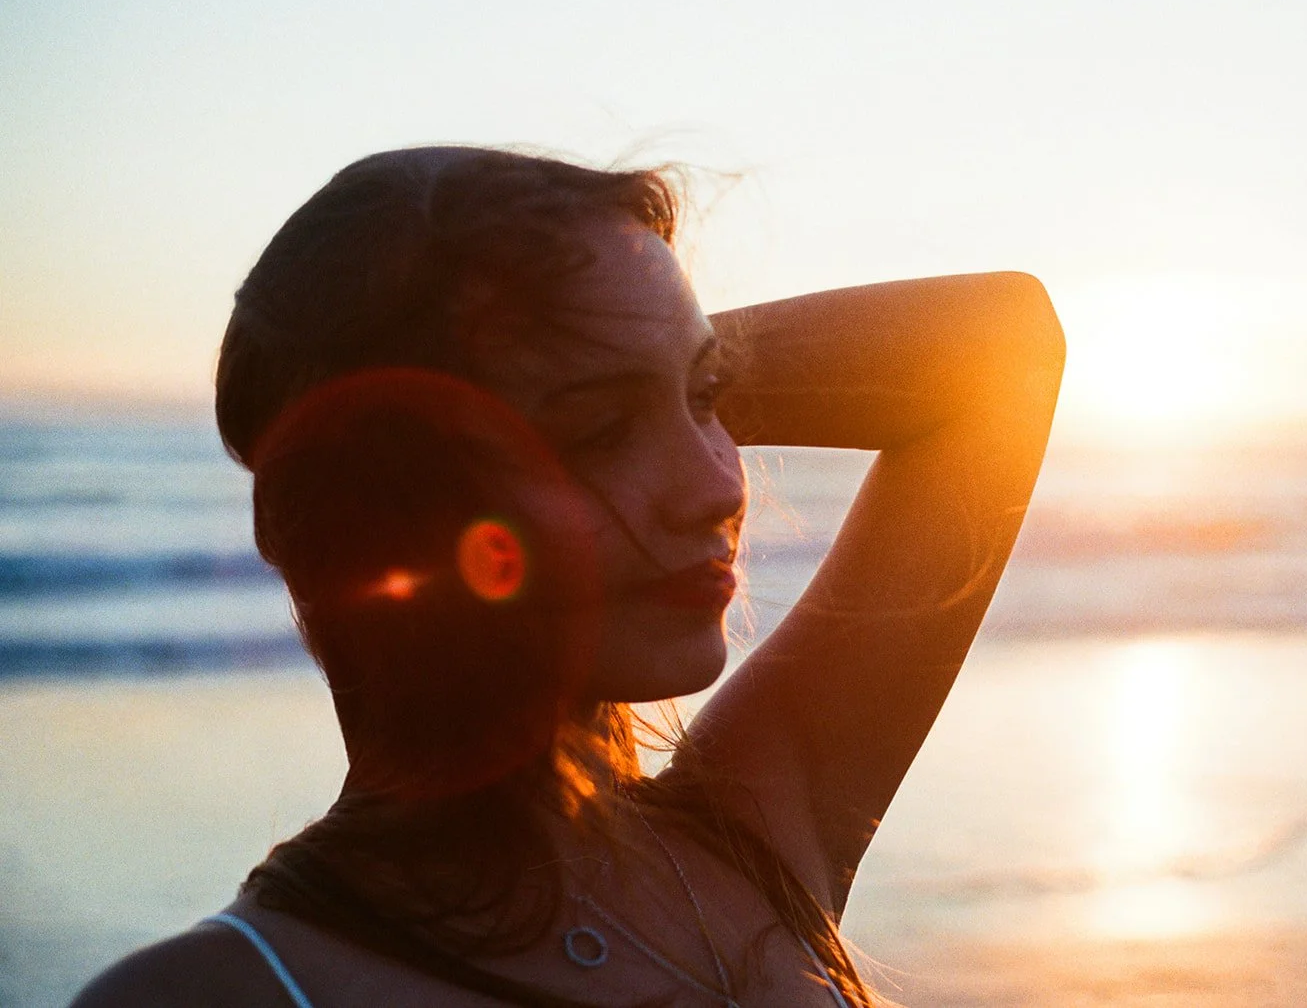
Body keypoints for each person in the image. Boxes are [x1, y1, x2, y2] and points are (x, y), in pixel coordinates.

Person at [71, 145, 1064, 1006]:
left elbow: (1002, 345)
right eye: (596, 431)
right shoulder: (225, 990)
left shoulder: (749, 837)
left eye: (708, 398)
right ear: (382, 510)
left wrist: (632, 358)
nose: (719, 484)